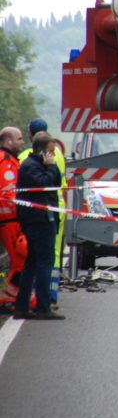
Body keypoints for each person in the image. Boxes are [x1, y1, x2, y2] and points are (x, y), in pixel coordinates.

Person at [13, 132, 64, 320]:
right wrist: (50, 167)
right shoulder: (30, 166)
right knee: (44, 262)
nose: (53, 154)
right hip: (39, 220)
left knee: (33, 262)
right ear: (42, 150)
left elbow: (56, 182)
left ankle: (22, 306)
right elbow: (43, 184)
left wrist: (52, 166)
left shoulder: (40, 165)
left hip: (44, 218)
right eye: (51, 151)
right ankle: (42, 307)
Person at [0, 126, 26, 307]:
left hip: (10, 219)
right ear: (8, 141)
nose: (22, 142)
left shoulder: (10, 160)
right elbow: (9, 194)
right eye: (19, 139)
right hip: (10, 220)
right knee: (20, 260)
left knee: (20, 260)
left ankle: (11, 294)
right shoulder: (6, 162)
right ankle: (12, 296)